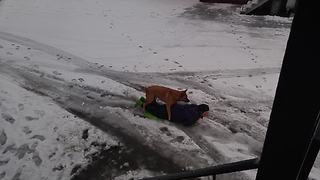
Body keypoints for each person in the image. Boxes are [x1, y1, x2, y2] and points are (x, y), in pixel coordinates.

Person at [137, 97, 209, 126]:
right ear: (202, 111)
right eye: (206, 112)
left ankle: (149, 101)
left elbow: (191, 109)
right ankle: (141, 104)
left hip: (171, 106)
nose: (207, 114)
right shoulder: (194, 116)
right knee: (155, 111)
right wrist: (197, 121)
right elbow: (187, 124)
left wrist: (200, 115)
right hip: (169, 114)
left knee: (158, 107)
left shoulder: (194, 106)